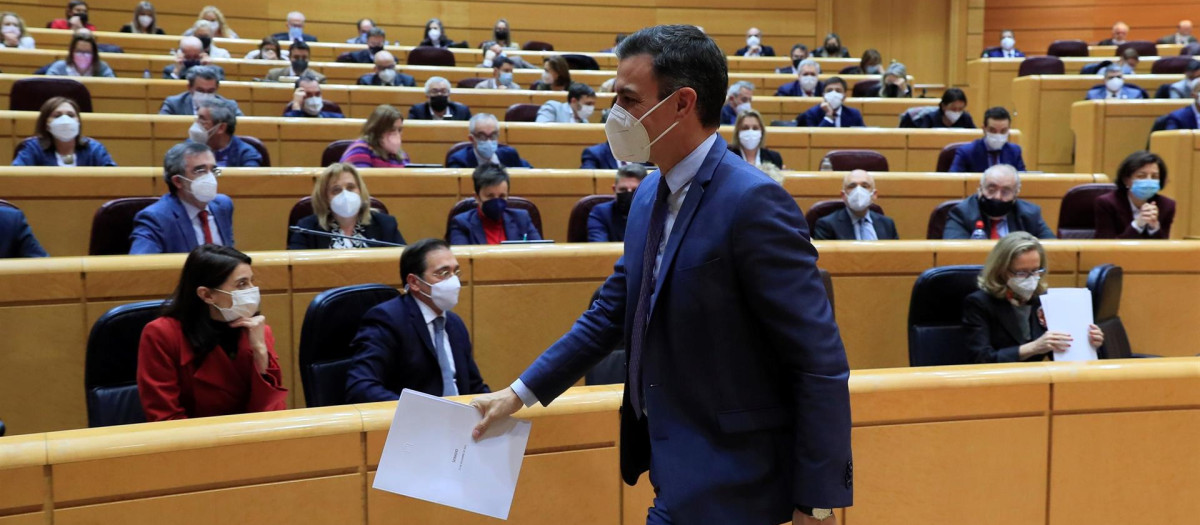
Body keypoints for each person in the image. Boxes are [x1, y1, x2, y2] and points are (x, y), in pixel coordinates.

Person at [468, 25, 852, 525]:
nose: (616, 113)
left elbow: (818, 360)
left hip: (743, 481)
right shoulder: (649, 194)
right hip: (674, 468)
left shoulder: (754, 202)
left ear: (681, 104)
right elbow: (611, 312)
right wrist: (518, 393)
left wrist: (816, 504)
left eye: (628, 98)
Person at [137, 244, 287, 421]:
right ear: (207, 295)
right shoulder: (162, 334)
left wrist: (260, 351)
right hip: (193, 442)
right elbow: (165, 418)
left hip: (250, 440)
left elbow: (271, 412)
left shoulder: (258, 331)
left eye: (252, 281)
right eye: (242, 284)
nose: (252, 291)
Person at [345, 238, 489, 401]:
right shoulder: (387, 320)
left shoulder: (454, 324)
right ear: (414, 282)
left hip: (460, 421)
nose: (453, 281)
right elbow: (361, 387)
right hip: (415, 422)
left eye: (455, 272)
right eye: (443, 273)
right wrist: (420, 412)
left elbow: (474, 387)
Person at [962, 232, 1104, 363]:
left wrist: (1089, 343)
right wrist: (1034, 347)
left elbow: (1063, 354)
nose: (1031, 279)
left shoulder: (1044, 300)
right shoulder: (979, 303)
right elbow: (981, 358)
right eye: (1021, 273)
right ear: (1001, 271)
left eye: (1036, 271)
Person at [130, 143, 234, 254]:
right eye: (200, 171)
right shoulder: (155, 219)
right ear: (178, 181)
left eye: (213, 170)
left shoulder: (223, 205)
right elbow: (141, 267)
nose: (210, 177)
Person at [288, 163, 406, 249]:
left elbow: (406, 263)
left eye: (350, 188)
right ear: (325, 198)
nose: (345, 195)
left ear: (360, 191)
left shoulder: (385, 224)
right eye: (336, 190)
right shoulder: (306, 229)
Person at [944, 164, 1054, 239]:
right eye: (991, 190)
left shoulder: (1030, 215)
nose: (997, 197)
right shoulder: (961, 214)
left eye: (1005, 192)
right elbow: (955, 256)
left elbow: (1052, 250)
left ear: (1015, 195)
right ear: (980, 189)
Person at [447, 164, 541, 244]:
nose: (497, 202)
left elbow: (540, 253)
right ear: (476, 197)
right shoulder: (461, 223)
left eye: (502, 196)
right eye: (490, 196)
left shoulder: (522, 218)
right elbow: (462, 261)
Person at [1094, 150, 1176, 239]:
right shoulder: (1107, 203)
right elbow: (1105, 247)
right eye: (1141, 176)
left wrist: (1154, 228)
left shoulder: (1167, 205)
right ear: (1126, 179)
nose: (1149, 181)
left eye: (1154, 177)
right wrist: (1137, 225)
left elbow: (1165, 249)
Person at [13, 97, 115, 167]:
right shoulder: (33, 148)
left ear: (78, 122)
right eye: (57, 116)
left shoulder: (94, 149)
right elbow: (16, 178)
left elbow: (114, 179)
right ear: (46, 124)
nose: (65, 120)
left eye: (71, 115)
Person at [813, 170, 899, 240]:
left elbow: (895, 257)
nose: (858, 190)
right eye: (852, 186)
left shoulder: (887, 224)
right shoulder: (827, 225)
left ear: (874, 194)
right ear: (843, 195)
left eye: (865, 186)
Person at [948, 106, 1026, 172]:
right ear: (984, 129)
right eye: (992, 130)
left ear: (1008, 130)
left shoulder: (1015, 151)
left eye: (1003, 131)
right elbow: (954, 182)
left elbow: (1024, 182)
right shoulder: (966, 152)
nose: (998, 135)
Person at [190, 98, 262, 168]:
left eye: (202, 120)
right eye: (197, 118)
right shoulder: (190, 146)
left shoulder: (246, 154)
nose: (197, 123)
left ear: (221, 128)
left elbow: (250, 179)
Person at [446, 114, 532, 169]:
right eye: (482, 136)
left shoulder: (509, 154)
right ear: (472, 139)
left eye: (493, 135)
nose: (489, 141)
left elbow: (529, 174)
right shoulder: (459, 161)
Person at [586, 164, 646, 242]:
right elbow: (599, 248)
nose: (629, 194)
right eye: (623, 189)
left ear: (646, 190)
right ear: (614, 189)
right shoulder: (601, 213)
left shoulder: (656, 213)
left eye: (635, 190)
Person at [339, 104, 410, 168]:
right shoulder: (360, 150)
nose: (397, 134)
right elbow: (365, 179)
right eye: (392, 130)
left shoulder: (402, 155)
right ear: (378, 130)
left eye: (399, 130)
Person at [160, 65, 243, 116]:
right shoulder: (173, 104)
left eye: (210, 91)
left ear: (217, 88)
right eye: (200, 90)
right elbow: (161, 128)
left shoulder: (229, 106)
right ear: (189, 87)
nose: (205, 95)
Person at [797, 77, 864, 127]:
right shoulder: (812, 114)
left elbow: (863, 137)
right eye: (829, 91)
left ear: (844, 96)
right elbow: (816, 139)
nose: (833, 94)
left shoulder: (854, 114)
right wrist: (829, 116)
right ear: (823, 95)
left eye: (838, 91)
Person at [44, 33, 114, 77]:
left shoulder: (102, 68)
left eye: (87, 52)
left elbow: (113, 88)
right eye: (79, 51)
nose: (83, 55)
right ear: (72, 52)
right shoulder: (59, 67)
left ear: (94, 54)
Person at [902, 87, 976, 128]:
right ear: (943, 106)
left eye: (960, 109)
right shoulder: (930, 118)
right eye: (953, 109)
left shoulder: (966, 118)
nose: (957, 112)